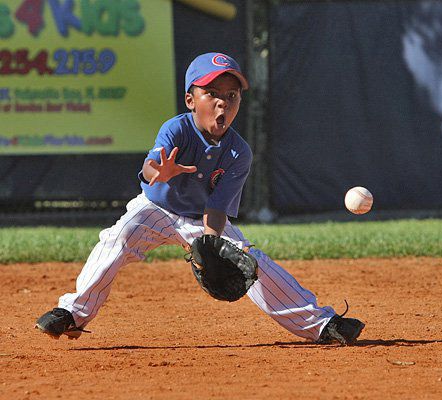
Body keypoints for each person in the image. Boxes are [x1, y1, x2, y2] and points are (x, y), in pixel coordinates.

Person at [35, 52, 365, 345]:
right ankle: (72, 314)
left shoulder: (239, 153)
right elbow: (149, 166)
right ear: (191, 100)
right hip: (155, 207)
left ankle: (321, 324)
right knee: (116, 239)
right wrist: (157, 173)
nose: (222, 102)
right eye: (211, 93)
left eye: (231, 95)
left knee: (252, 263)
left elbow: (217, 207)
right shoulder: (175, 129)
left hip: (200, 219)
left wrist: (209, 244)